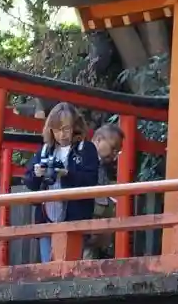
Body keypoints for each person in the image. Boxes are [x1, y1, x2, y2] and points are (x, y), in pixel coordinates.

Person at [23, 103, 102, 262]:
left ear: (75, 127)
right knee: (48, 265)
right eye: (57, 130)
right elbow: (29, 182)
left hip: (74, 218)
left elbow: (91, 180)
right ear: (50, 130)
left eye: (66, 129)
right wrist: (37, 174)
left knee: (70, 265)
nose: (62, 134)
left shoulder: (86, 149)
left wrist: (66, 174)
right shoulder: (45, 150)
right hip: (47, 217)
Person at [85, 122, 126, 260]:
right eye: (113, 148)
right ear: (98, 140)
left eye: (117, 151)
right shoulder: (82, 159)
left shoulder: (102, 165)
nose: (115, 154)